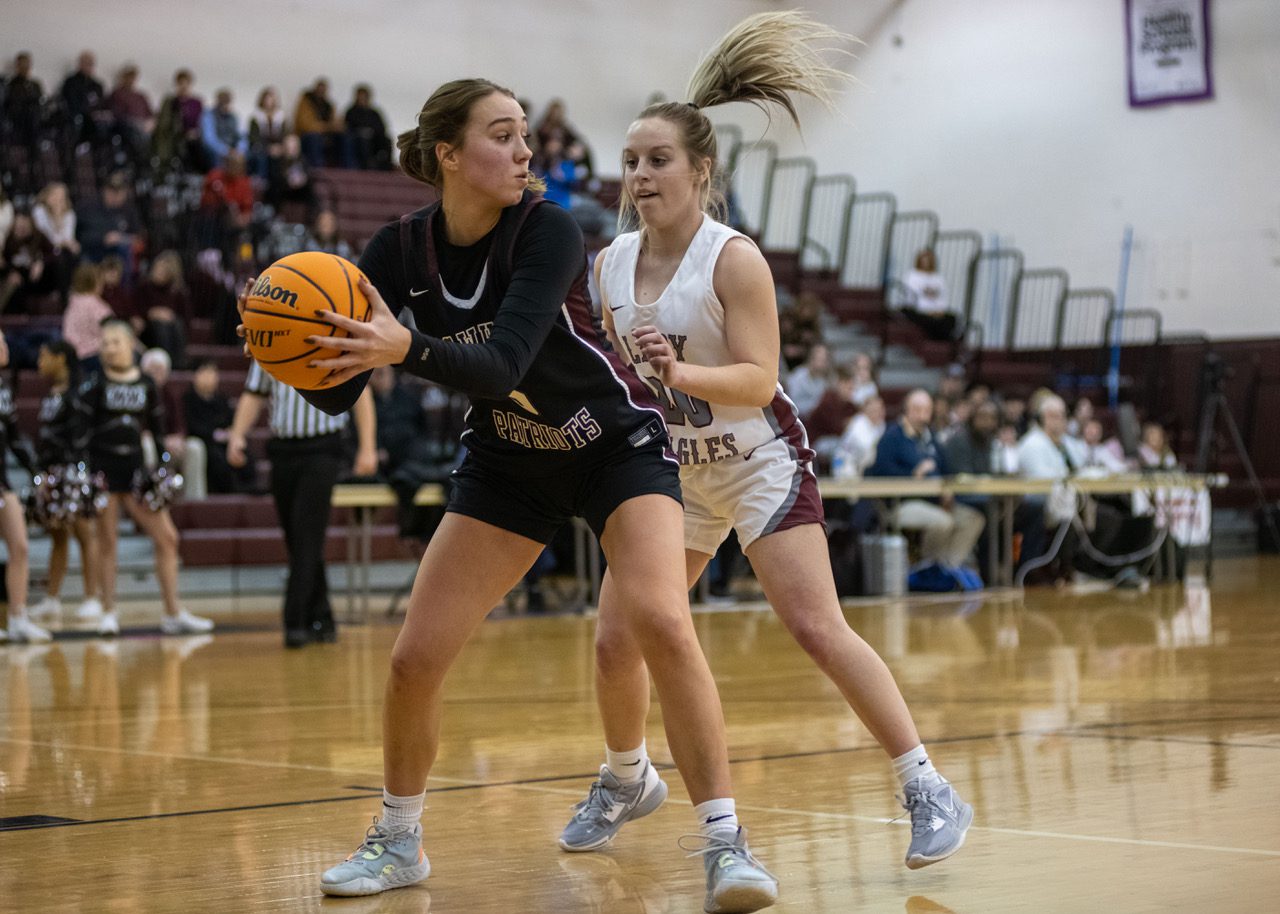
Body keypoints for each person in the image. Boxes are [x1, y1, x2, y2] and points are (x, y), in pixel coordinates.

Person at [248, 74, 778, 909]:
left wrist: (403, 348)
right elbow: (339, 393)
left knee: (660, 620)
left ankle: (726, 845)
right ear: (450, 155)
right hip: (509, 458)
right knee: (415, 657)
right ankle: (398, 840)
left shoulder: (547, 229)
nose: (526, 150)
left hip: (613, 446)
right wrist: (284, 343)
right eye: (503, 135)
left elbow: (500, 363)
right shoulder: (398, 251)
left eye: (525, 132)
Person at [577, 9, 972, 882]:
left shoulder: (733, 259)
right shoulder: (607, 266)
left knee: (816, 627)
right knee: (614, 640)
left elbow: (759, 380)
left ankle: (928, 785)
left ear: (701, 170)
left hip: (759, 462)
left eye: (658, 160)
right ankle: (625, 777)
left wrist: (679, 371)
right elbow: (627, 381)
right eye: (631, 161)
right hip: (672, 474)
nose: (639, 175)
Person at [226, 362, 377, 646]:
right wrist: (237, 434)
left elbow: (362, 393)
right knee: (296, 538)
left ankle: (294, 621)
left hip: (322, 450)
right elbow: (254, 392)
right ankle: (322, 616)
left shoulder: (333, 341)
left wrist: (368, 447)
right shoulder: (266, 344)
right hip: (282, 450)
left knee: (307, 535)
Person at [80, 319, 213, 636]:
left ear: (131, 345)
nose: (109, 348)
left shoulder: (146, 384)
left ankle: (173, 612)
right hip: (103, 472)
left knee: (168, 538)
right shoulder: (94, 385)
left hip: (137, 472)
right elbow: (82, 434)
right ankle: (109, 611)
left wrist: (162, 469)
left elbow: (157, 432)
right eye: (105, 343)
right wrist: (86, 472)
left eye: (115, 342)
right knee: (107, 541)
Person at [27, 340, 104, 625]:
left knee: (85, 533)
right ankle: (52, 599)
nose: (39, 362)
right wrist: (43, 472)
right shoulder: (51, 393)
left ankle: (92, 598)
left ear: (60, 359)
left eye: (44, 356)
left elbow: (80, 437)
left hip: (73, 472)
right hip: (52, 472)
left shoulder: (79, 392)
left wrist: (71, 473)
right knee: (57, 534)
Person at [868, 388, 986, 570]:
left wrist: (948, 491)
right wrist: (913, 476)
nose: (922, 415)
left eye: (927, 410)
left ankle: (948, 568)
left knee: (973, 519)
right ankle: (928, 571)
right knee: (943, 522)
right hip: (902, 503)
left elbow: (945, 470)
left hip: (935, 502)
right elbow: (881, 474)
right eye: (917, 409)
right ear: (906, 410)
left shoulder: (931, 438)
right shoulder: (891, 437)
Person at [0, 330, 50, 643]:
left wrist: (35, 471)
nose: (5, 347)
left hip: (2, 481)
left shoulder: (4, 387)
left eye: (5, 341)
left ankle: (18, 618)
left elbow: (14, 437)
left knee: (19, 545)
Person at [183, 360, 247, 494]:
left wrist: (231, 433)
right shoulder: (188, 399)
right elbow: (191, 426)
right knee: (216, 457)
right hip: (205, 441)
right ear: (195, 376)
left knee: (243, 451)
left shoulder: (222, 399)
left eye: (212, 372)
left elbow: (232, 421)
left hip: (223, 441)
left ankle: (246, 490)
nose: (209, 377)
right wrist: (214, 434)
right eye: (205, 372)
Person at [131, 251, 191, 366]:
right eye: (157, 269)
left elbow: (186, 316)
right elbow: (134, 309)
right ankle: (166, 362)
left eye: (163, 271)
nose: (158, 273)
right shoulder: (143, 287)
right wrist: (151, 313)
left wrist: (171, 316)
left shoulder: (178, 292)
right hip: (148, 329)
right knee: (160, 326)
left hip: (172, 328)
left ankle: (178, 362)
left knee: (177, 324)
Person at [77, 172, 141, 268]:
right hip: (93, 252)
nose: (115, 195)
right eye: (112, 190)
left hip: (118, 254)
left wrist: (120, 238)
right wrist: (103, 239)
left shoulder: (129, 211)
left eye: (119, 191)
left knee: (124, 250)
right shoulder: (90, 207)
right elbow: (82, 236)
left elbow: (137, 238)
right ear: (105, 190)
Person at [0, 210, 55, 314]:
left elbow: (53, 254)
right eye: (18, 227)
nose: (21, 230)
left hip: (36, 278)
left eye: (24, 226)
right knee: (13, 285)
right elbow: (5, 261)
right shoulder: (10, 239)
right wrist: (10, 272)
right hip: (16, 278)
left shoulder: (39, 237)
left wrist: (41, 262)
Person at [32, 182, 80, 298]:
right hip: (43, 252)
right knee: (62, 256)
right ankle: (63, 294)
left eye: (61, 196)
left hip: (62, 253)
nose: (58, 200)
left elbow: (68, 238)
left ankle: (68, 292)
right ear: (47, 196)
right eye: (55, 195)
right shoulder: (39, 211)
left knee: (70, 254)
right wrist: (62, 241)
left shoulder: (69, 214)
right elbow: (45, 239)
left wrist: (58, 217)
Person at [152, 69, 204, 173]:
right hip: (175, 135)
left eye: (186, 83)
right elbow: (165, 122)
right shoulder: (170, 102)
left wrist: (195, 132)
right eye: (180, 83)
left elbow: (201, 121)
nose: (183, 86)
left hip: (194, 135)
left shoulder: (196, 102)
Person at [62, 261, 114, 366]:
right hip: (94, 357)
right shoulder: (96, 305)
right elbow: (113, 330)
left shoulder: (72, 303)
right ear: (95, 283)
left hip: (72, 357)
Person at [900, 248, 956, 341]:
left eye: (928, 260)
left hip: (936, 310)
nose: (925, 263)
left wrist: (939, 309)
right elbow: (913, 296)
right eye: (924, 260)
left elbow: (942, 295)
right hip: (918, 309)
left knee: (951, 319)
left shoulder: (938, 278)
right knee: (928, 320)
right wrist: (927, 310)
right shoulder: (912, 276)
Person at [294, 78, 350, 168]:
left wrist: (336, 126)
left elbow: (335, 123)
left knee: (345, 137)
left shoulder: (328, 105)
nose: (321, 92)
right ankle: (317, 168)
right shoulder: (305, 102)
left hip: (325, 135)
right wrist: (327, 127)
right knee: (314, 137)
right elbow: (307, 126)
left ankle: (348, 168)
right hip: (306, 136)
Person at [107, 63, 154, 165]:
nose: (131, 80)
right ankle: (139, 163)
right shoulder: (117, 93)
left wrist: (150, 123)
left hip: (142, 125)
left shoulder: (141, 96)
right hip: (126, 125)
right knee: (137, 134)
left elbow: (150, 114)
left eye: (133, 77)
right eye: (128, 77)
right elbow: (116, 113)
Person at [59, 51, 109, 145]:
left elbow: (101, 102)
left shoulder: (97, 85)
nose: (89, 66)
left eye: (91, 64)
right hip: (77, 114)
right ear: (80, 64)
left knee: (105, 124)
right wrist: (88, 112)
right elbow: (70, 101)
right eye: (86, 63)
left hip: (94, 116)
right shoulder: (71, 82)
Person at [344, 84, 391, 170]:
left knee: (387, 140)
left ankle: (386, 166)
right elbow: (348, 126)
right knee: (363, 140)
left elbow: (381, 127)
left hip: (374, 136)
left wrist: (372, 131)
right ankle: (367, 165)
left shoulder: (374, 113)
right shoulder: (351, 111)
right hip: (357, 137)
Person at [248, 87, 288, 181]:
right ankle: (262, 180)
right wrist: (268, 148)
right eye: (267, 99)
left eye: (271, 99)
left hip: (278, 146)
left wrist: (279, 147)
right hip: (261, 146)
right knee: (261, 155)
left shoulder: (281, 116)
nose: (269, 102)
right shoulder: (255, 116)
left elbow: (285, 134)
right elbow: (254, 137)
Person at [200, 88, 247, 167]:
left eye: (227, 102)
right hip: (217, 149)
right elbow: (209, 139)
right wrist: (226, 151)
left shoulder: (234, 117)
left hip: (233, 148)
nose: (225, 105)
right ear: (217, 103)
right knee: (217, 156)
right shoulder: (209, 115)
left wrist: (240, 150)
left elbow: (242, 136)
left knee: (247, 156)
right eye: (223, 103)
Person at [783, 341, 829, 417]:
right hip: (796, 418)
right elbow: (792, 403)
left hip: (816, 418)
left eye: (824, 359)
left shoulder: (825, 380)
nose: (822, 362)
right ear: (811, 359)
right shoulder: (797, 376)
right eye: (819, 358)